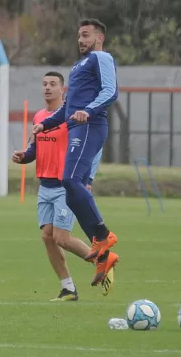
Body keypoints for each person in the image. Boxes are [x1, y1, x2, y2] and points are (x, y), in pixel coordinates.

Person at [32, 18, 119, 286]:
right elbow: (68, 107)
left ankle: (102, 236)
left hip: (90, 125)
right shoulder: (78, 65)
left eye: (86, 35)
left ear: (99, 38)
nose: (81, 40)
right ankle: (102, 251)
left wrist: (89, 111)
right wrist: (45, 124)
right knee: (70, 188)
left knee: (71, 181)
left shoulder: (101, 57)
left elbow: (111, 91)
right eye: (79, 36)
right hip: (76, 126)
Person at [12, 71, 112, 301]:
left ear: (63, 90)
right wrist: (24, 157)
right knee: (47, 237)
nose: (47, 87)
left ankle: (103, 261)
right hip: (44, 186)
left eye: (53, 84)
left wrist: (87, 181)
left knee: (62, 238)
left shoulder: (72, 118)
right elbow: (36, 151)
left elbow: (93, 150)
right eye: (44, 83)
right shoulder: (39, 117)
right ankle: (68, 288)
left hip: (65, 187)